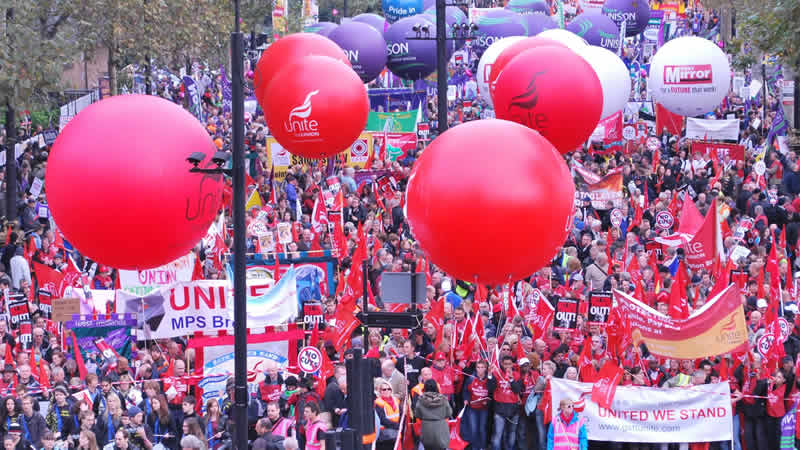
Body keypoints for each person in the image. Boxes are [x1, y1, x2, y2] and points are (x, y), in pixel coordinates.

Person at [414, 380, 452, 450]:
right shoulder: (443, 399)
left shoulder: (421, 400)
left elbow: (417, 414)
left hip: (427, 429)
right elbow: (449, 413)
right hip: (441, 428)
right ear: (436, 387)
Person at [461, 359, 490, 450]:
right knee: (473, 429)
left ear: (485, 368)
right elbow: (466, 390)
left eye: (482, 367)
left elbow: (492, 392)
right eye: (478, 367)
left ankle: (482, 447)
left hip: (483, 408)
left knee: (482, 429)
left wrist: (488, 401)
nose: (480, 369)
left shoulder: (489, 379)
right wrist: (466, 399)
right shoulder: (471, 378)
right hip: (472, 407)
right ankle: (475, 447)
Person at [374, 380, 400, 450]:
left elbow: (401, 415)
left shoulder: (396, 400)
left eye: (389, 389)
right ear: (380, 391)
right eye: (384, 389)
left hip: (396, 431)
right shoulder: (378, 403)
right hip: (384, 434)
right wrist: (397, 426)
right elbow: (382, 420)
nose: (387, 391)